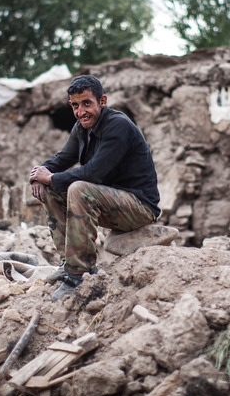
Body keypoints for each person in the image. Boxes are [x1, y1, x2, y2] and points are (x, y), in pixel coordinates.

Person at [29, 75, 160, 299]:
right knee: (54, 187)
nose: (81, 112)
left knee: (77, 187)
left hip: (139, 206)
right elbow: (61, 160)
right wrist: (38, 175)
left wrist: (50, 178)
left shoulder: (118, 126)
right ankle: (69, 263)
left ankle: (79, 275)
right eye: (75, 106)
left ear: (102, 101)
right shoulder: (82, 128)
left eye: (87, 103)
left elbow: (94, 173)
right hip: (109, 201)